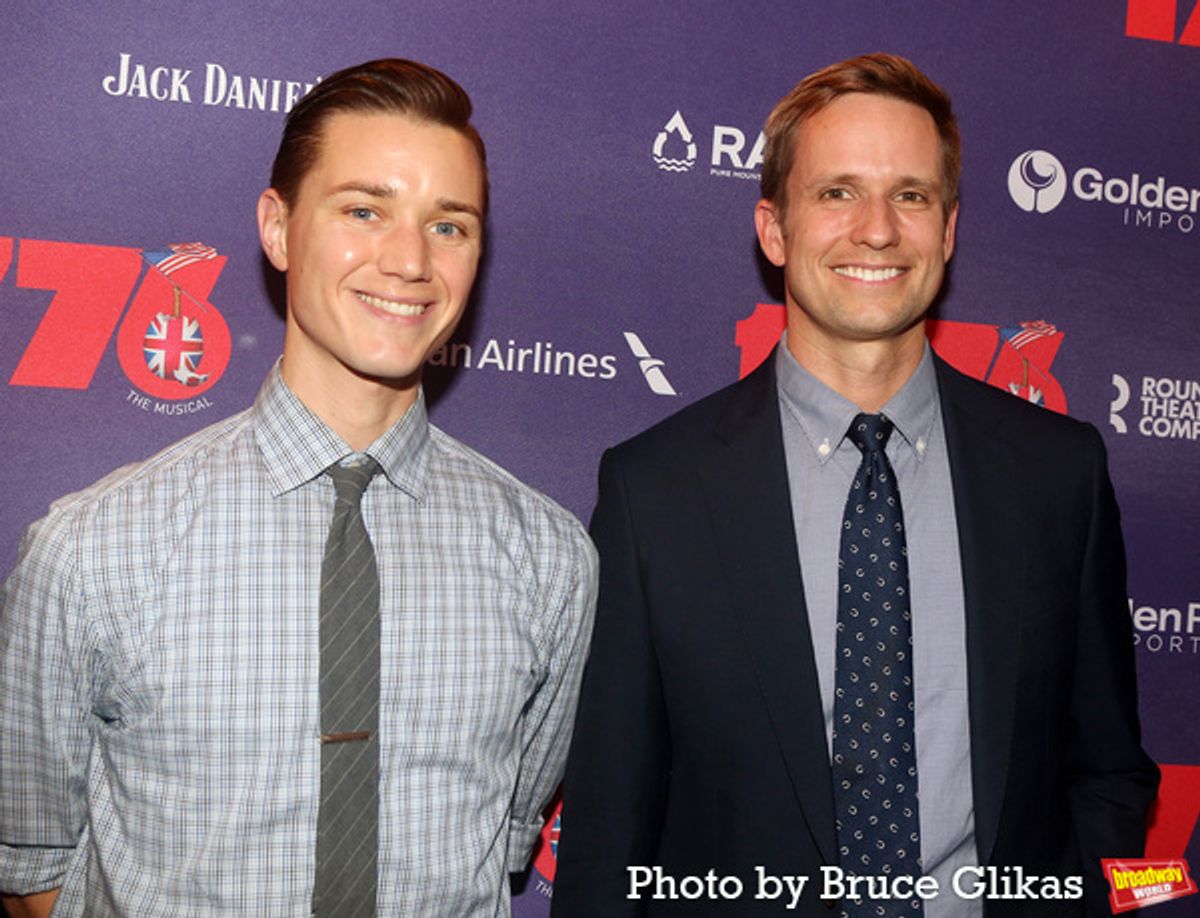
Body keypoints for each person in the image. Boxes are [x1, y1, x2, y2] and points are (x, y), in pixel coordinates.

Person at [552, 53, 1156, 917]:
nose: (876, 229)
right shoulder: (657, 491)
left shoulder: (1059, 472)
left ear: (947, 230)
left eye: (910, 195)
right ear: (774, 229)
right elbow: (609, 831)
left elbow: (1107, 767)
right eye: (837, 192)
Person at [0, 58, 597, 917]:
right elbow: (34, 867)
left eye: (450, 226)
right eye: (364, 210)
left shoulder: (549, 560)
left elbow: (502, 841)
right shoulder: (92, 547)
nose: (409, 261)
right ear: (278, 229)